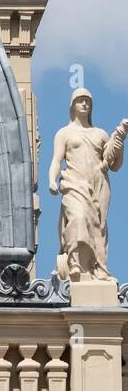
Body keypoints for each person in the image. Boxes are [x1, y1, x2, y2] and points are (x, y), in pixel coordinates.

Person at [49, 87, 128, 281]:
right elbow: (57, 161)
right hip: (74, 184)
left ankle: (99, 268)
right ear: (73, 106)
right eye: (80, 100)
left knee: (98, 228)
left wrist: (119, 143)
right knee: (77, 217)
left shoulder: (100, 134)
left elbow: (115, 165)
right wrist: (52, 179)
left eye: (88, 101)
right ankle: (74, 262)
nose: (85, 104)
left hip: (99, 184)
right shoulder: (64, 133)